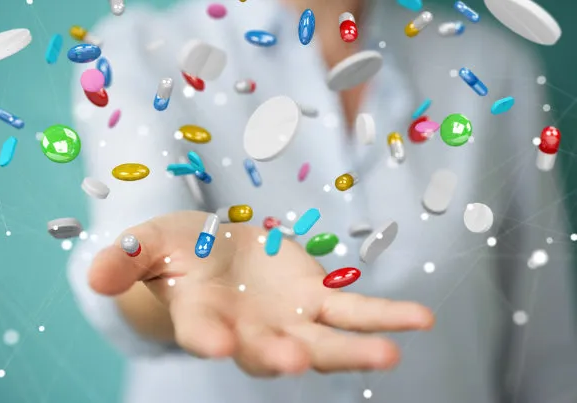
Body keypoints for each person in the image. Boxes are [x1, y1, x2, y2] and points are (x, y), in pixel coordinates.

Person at [68, 0, 577, 402]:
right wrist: (176, 282)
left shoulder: (493, 67)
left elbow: (548, 347)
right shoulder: (137, 51)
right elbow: (131, 240)